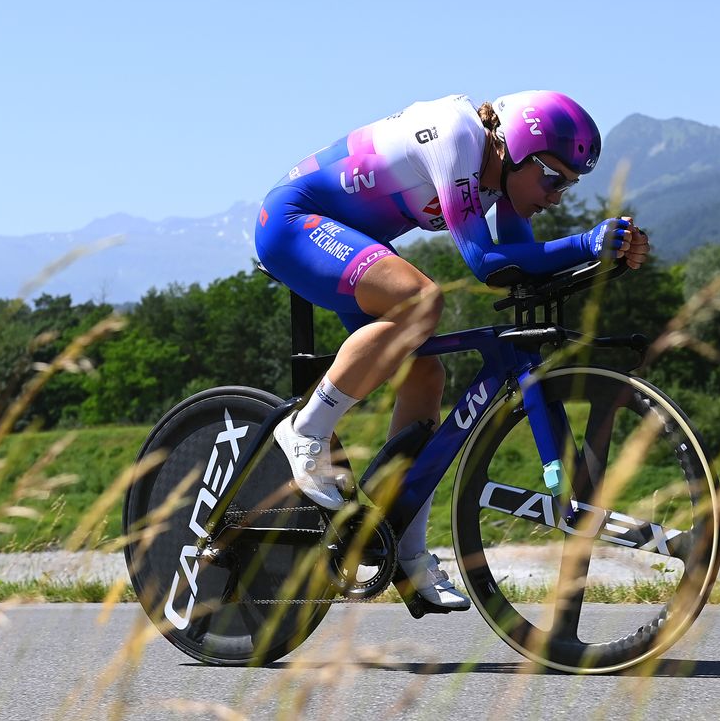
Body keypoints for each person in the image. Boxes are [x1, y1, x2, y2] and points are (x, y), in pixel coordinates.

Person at [254, 91, 649, 610]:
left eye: (568, 186)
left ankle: (405, 550)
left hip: (350, 237)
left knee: (426, 377)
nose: (556, 197)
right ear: (516, 149)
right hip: (293, 222)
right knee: (421, 302)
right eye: (552, 178)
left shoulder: (503, 176)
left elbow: (518, 267)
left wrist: (611, 254)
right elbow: (485, 260)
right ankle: (307, 429)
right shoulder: (456, 137)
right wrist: (584, 243)